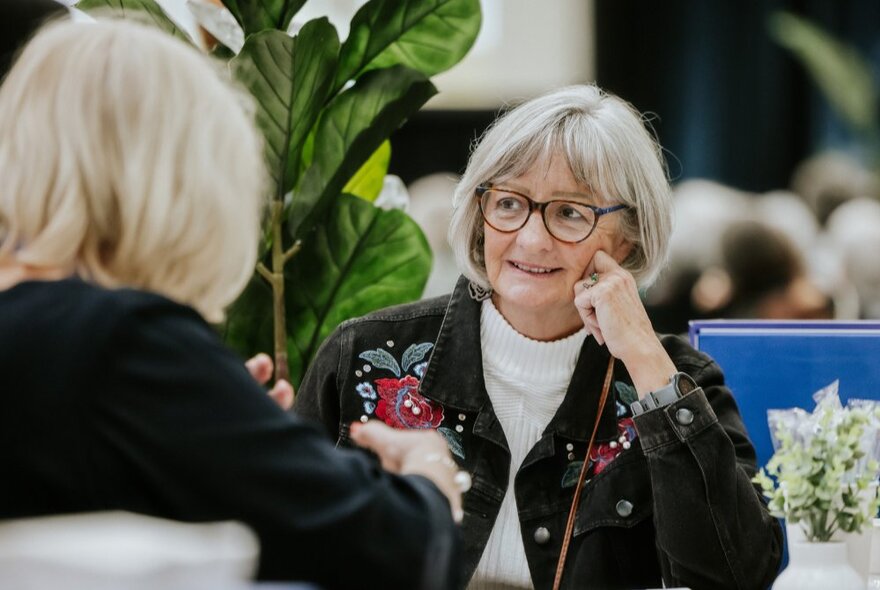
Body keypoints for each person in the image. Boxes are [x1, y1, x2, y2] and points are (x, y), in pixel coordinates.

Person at [0, 19, 464, 589]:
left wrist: (204, 415)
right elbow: (390, 546)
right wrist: (430, 479)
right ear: (187, 184)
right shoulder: (122, 339)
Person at [296, 85, 783, 589]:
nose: (530, 239)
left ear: (629, 236)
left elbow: (736, 576)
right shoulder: (367, 359)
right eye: (509, 203)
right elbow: (279, 548)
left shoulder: (674, 380)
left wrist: (644, 357)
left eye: (570, 213)